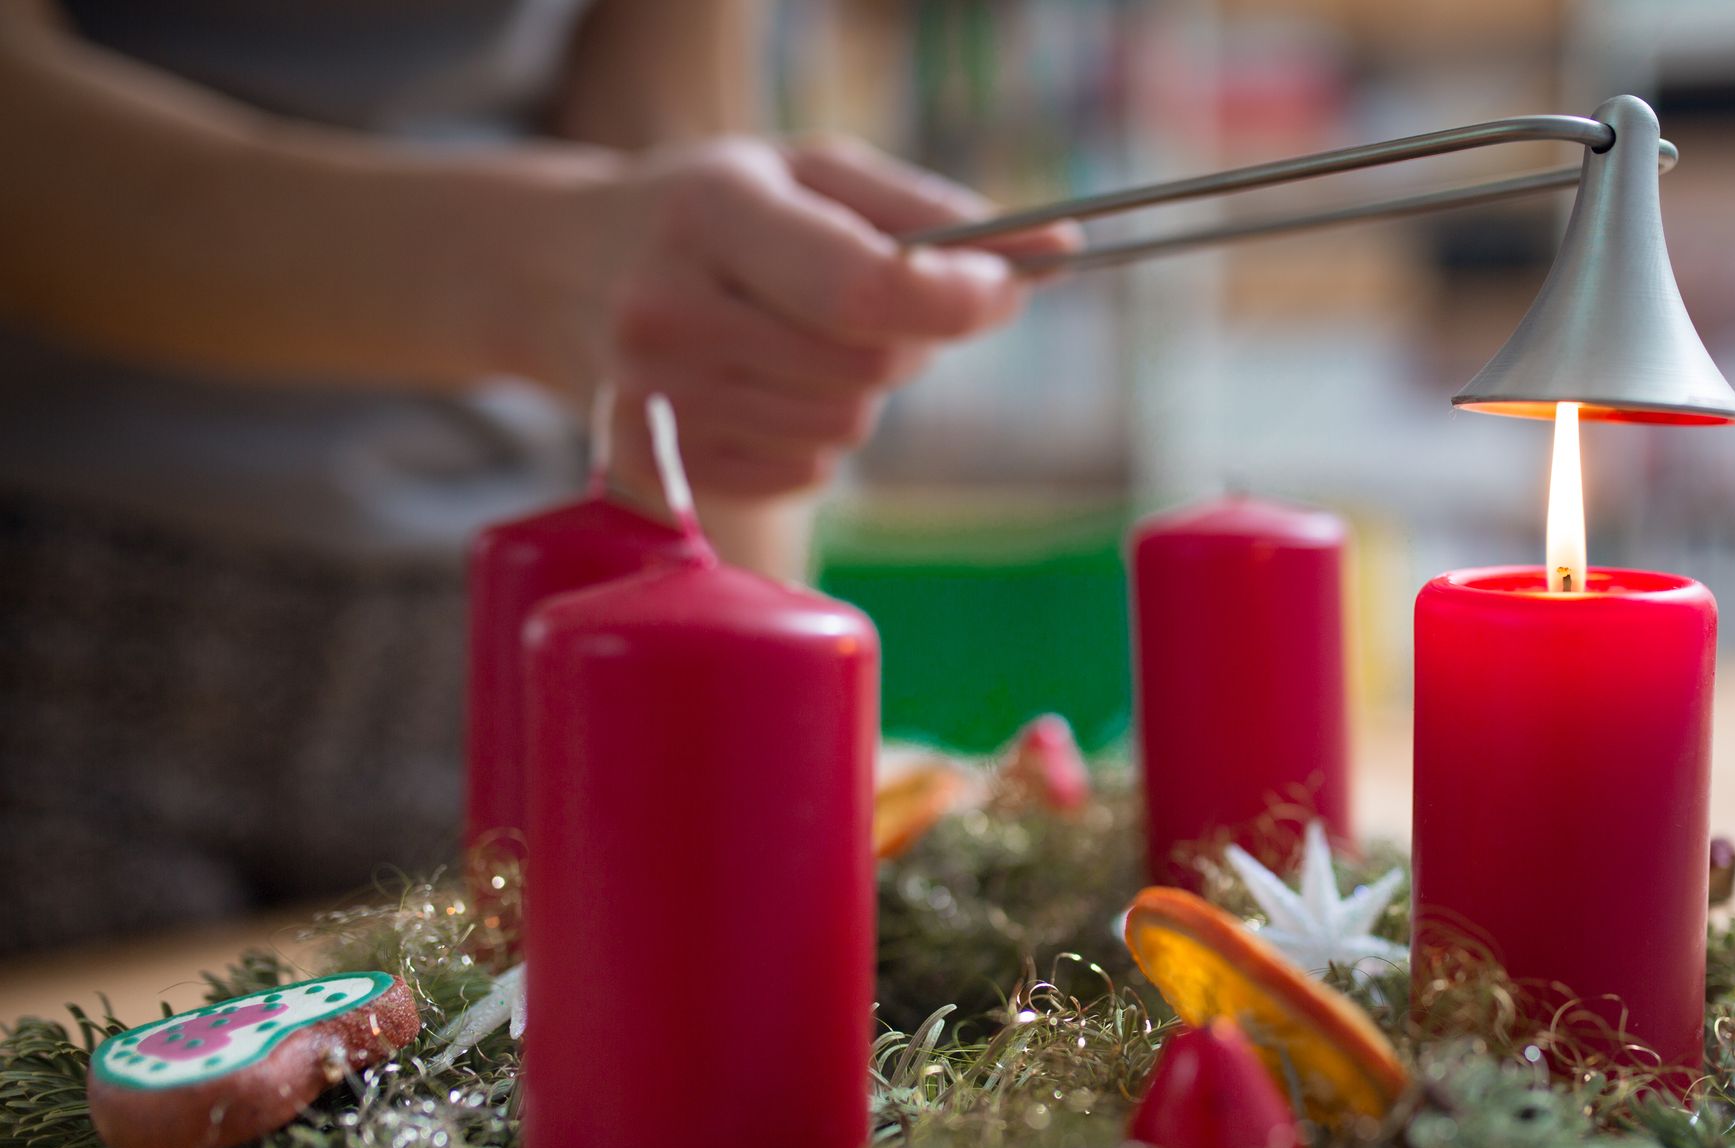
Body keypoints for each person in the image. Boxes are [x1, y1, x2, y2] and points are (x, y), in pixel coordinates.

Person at [0, 0, 1073, 954]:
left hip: (490, 650)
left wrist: (777, 750)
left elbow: (669, 141)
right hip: (62, 635)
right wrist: (536, 271)